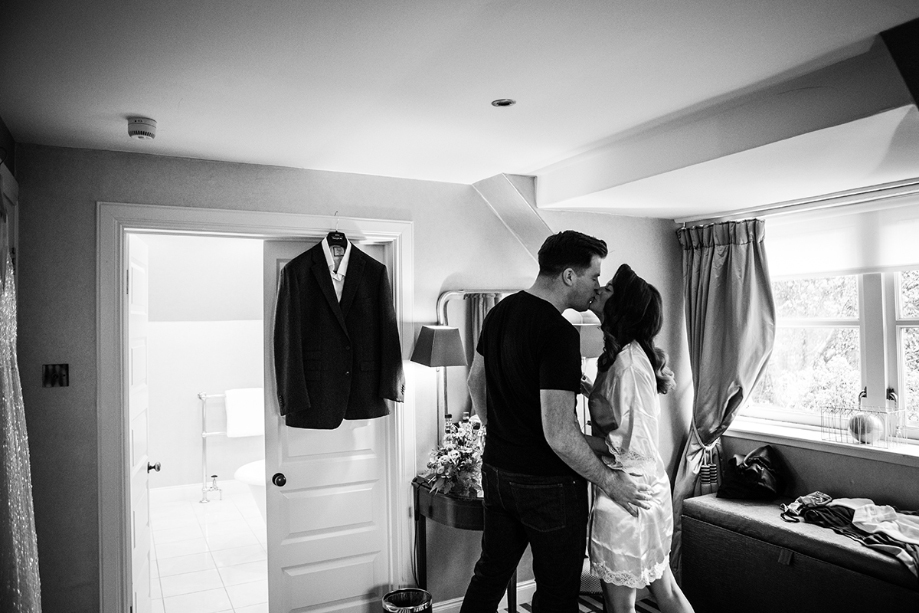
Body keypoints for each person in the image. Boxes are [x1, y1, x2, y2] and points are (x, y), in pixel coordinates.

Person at [460, 232, 653, 613]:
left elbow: (474, 381)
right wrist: (611, 482)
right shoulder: (558, 333)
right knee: (556, 593)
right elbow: (560, 435)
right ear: (568, 276)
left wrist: (503, 431)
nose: (596, 285)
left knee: (490, 575)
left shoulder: (499, 312)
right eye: (594, 276)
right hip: (548, 487)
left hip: (497, 472)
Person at [585, 264, 694, 613]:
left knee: (621, 607)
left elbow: (627, 449)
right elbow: (623, 421)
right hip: (645, 488)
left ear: (621, 307)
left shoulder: (629, 365)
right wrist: (590, 391)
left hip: (627, 494)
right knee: (666, 589)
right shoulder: (625, 357)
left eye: (608, 289)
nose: (599, 289)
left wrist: (567, 438)